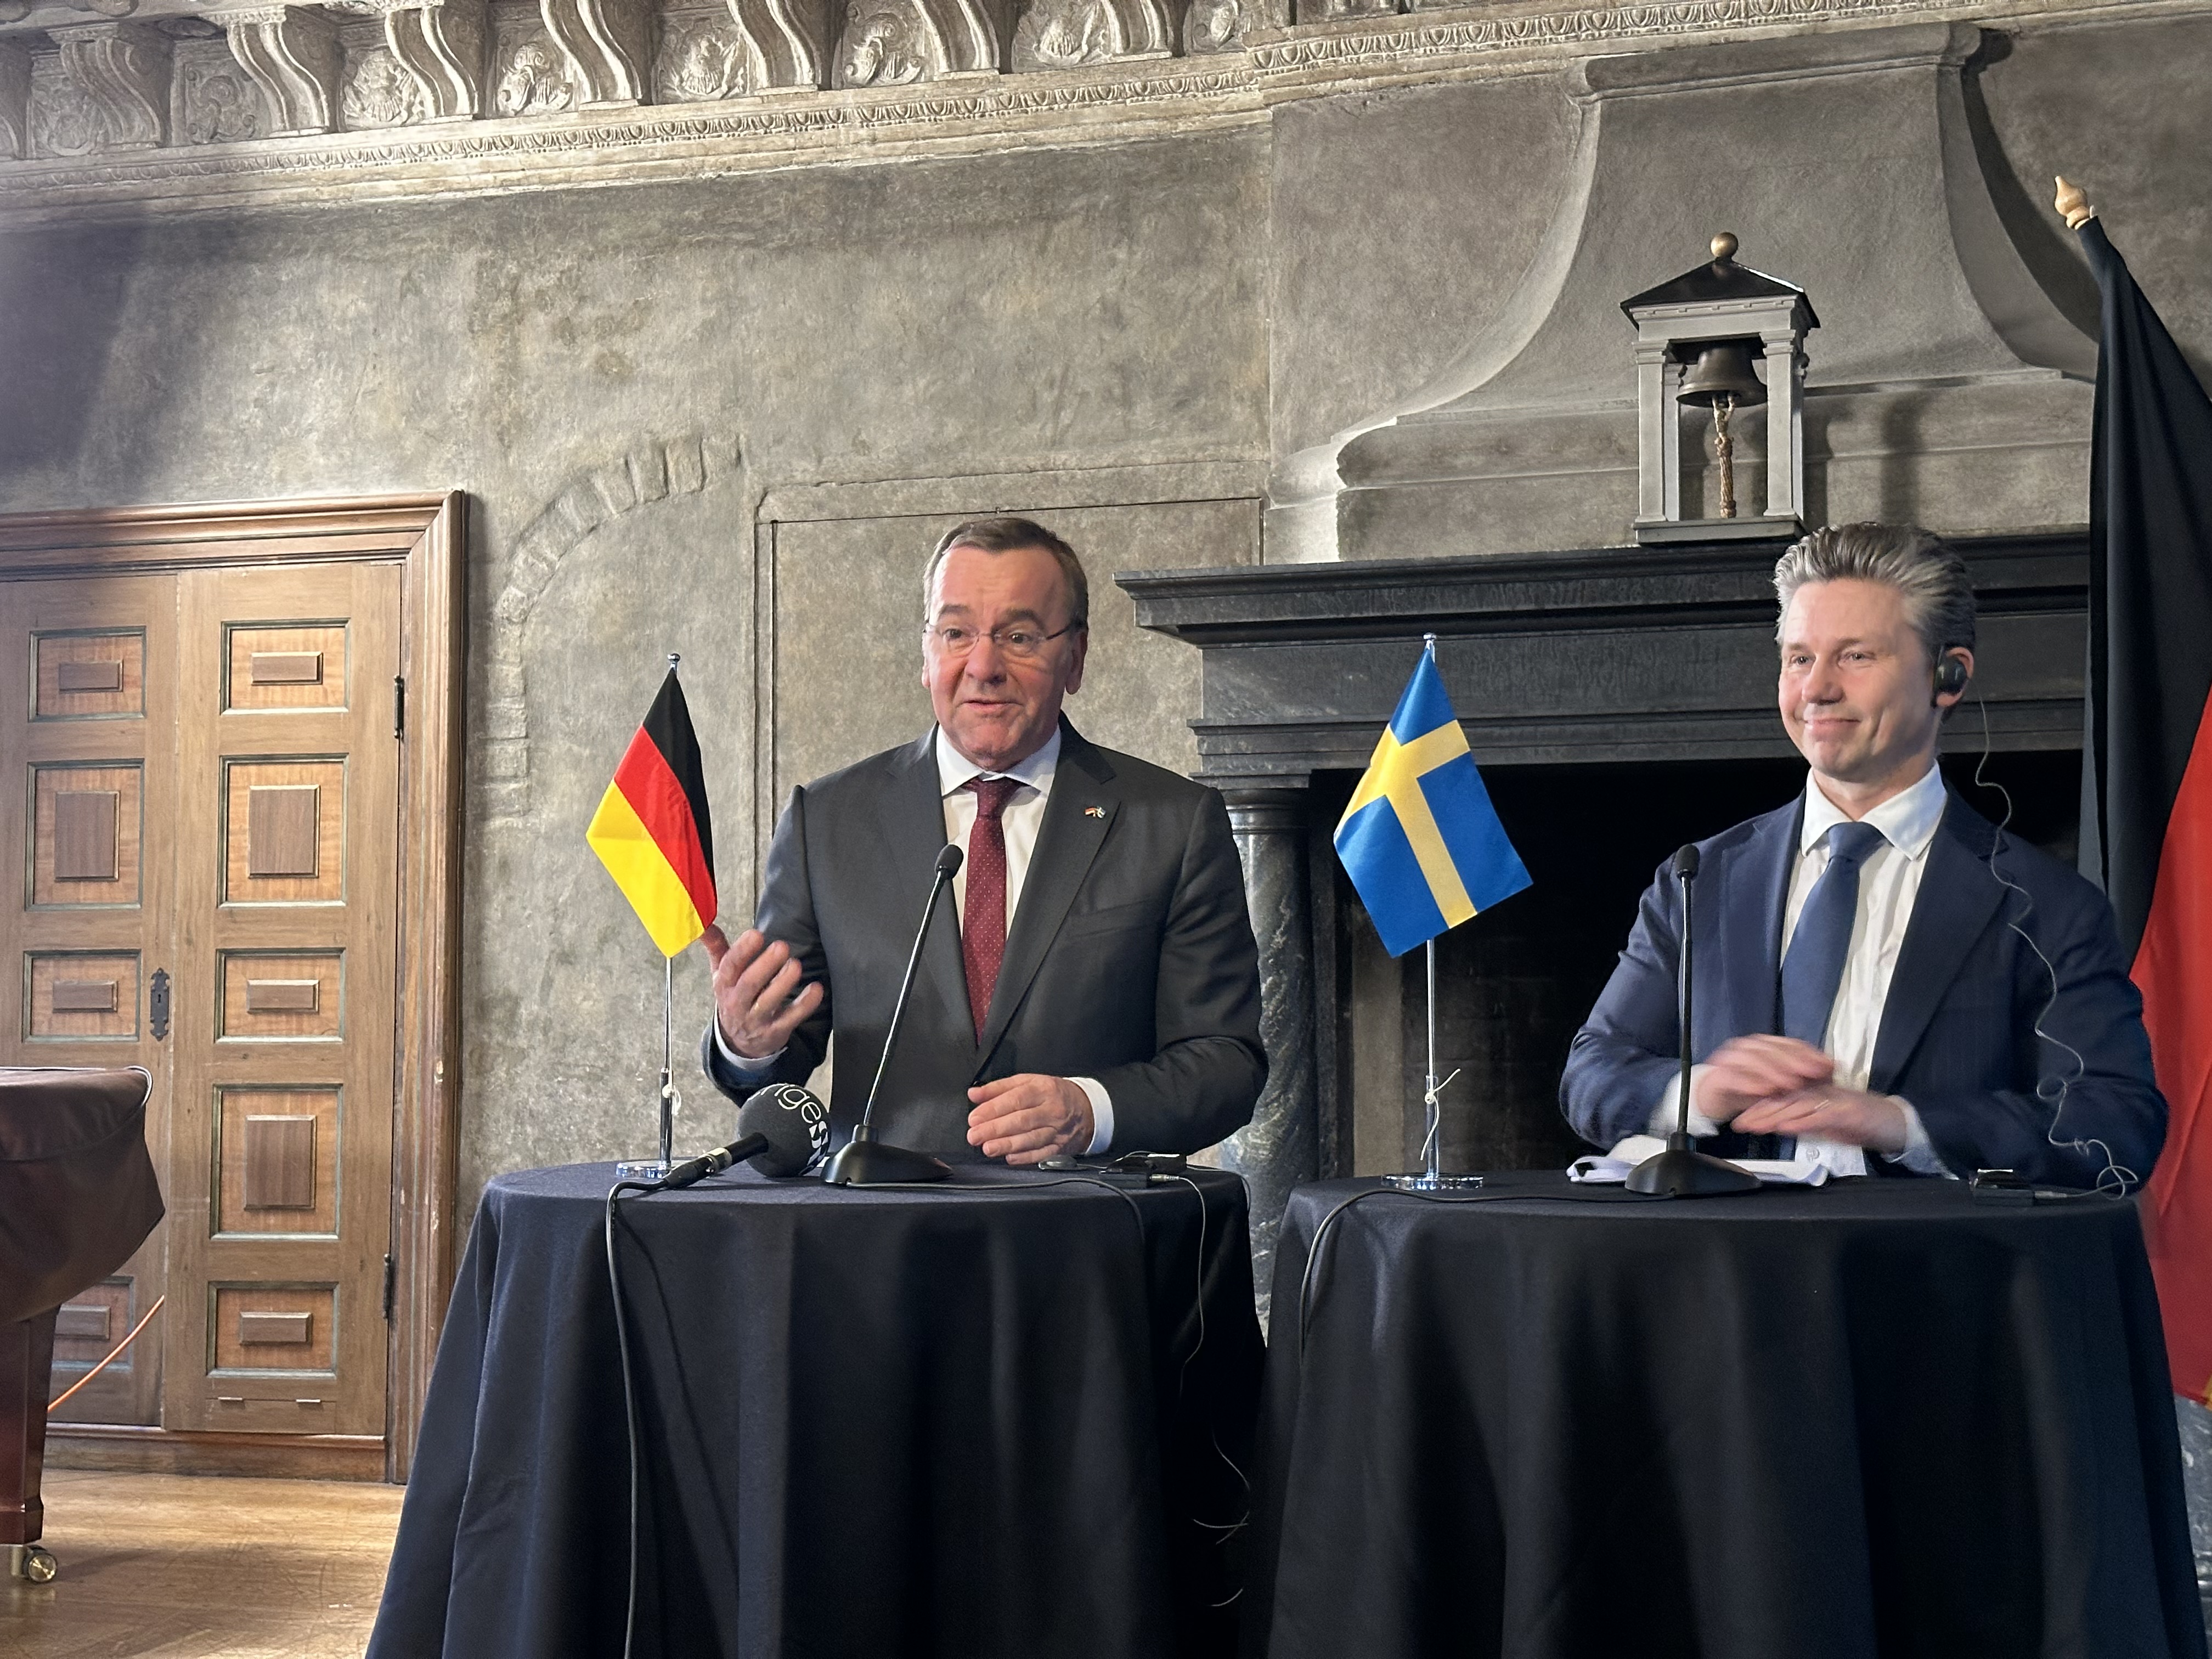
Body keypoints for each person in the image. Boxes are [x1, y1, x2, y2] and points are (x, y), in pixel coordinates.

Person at [1561, 522, 2165, 1188]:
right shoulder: (1699, 877)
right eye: (1799, 659)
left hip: (1921, 1251)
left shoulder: (2046, 904)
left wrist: (1902, 1124)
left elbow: (2116, 1125)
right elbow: (1591, 1074)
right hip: (1722, 1249)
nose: (1817, 689)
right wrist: (1701, 1091)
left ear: (1948, 677)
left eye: (1855, 656)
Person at [699, 515, 1267, 1165]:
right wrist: (747, 1043)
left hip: (1084, 1215)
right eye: (956, 634)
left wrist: (1091, 1110)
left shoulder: (1172, 823)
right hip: (879, 1216)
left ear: (1076, 657)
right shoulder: (826, 822)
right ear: (927, 654)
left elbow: (1226, 1064)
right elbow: (778, 1067)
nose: (984, 666)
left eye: (1019, 637)